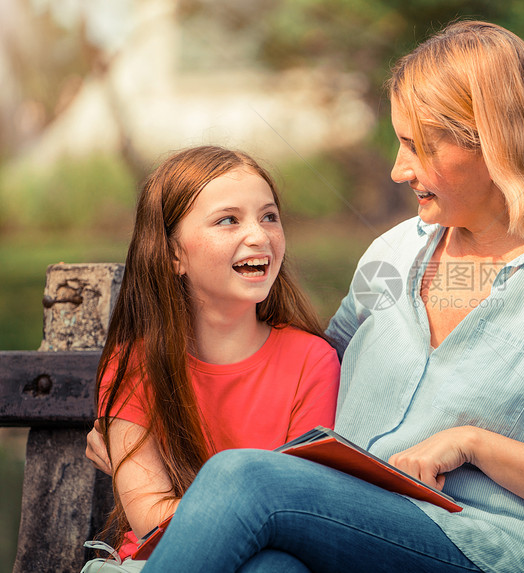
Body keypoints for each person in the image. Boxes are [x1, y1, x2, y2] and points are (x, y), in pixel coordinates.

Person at [140, 20, 524, 572]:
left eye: (417, 146)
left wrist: (476, 445)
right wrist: (145, 421)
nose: (398, 168)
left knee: (242, 477)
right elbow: (314, 368)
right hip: (349, 527)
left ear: (493, 143)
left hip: (488, 549)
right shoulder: (394, 253)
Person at [83, 146, 340, 567]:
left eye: (269, 216)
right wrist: (257, 505)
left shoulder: (312, 361)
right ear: (173, 255)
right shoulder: (135, 365)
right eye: (228, 220)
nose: (259, 236)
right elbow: (150, 519)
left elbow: (301, 510)